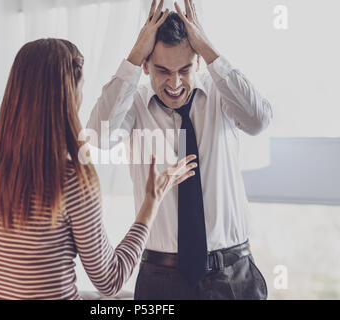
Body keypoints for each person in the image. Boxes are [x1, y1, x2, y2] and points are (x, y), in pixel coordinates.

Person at [0, 37, 197, 300]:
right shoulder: (71, 178)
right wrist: (151, 203)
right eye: (81, 88)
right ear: (69, 94)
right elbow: (109, 280)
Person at [87, 0, 273, 299]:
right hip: (161, 279)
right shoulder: (133, 106)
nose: (175, 83)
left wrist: (208, 47)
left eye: (184, 69)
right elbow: (98, 135)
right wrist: (135, 54)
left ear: (197, 62)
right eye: (162, 70)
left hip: (233, 275)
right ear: (146, 66)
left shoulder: (220, 96)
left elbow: (258, 120)